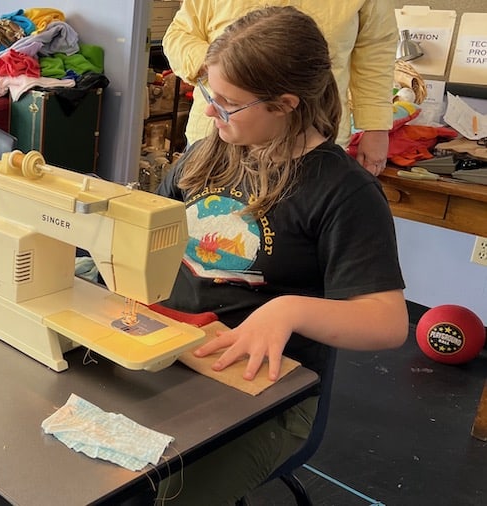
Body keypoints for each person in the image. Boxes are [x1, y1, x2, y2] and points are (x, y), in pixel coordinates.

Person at [153, 6, 408, 504]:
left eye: (227, 103)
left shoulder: (342, 191)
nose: (210, 112)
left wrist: (289, 309)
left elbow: (388, 322)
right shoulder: (207, 155)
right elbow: (150, 232)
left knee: (169, 495)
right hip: (177, 356)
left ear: (286, 103)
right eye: (210, 95)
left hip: (268, 395)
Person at [162, 0, 397, 176]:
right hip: (219, 138)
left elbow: (375, 48)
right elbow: (179, 35)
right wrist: (227, 65)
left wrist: (376, 128)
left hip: (310, 142)